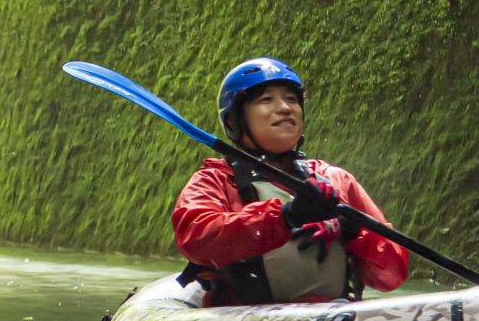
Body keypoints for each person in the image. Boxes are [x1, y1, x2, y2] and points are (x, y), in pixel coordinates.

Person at [169, 57, 410, 305]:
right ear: (234, 121)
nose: (285, 108)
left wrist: (353, 228)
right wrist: (286, 216)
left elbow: (391, 276)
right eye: (266, 99)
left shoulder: (335, 180)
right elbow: (196, 241)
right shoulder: (214, 180)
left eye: (291, 99)